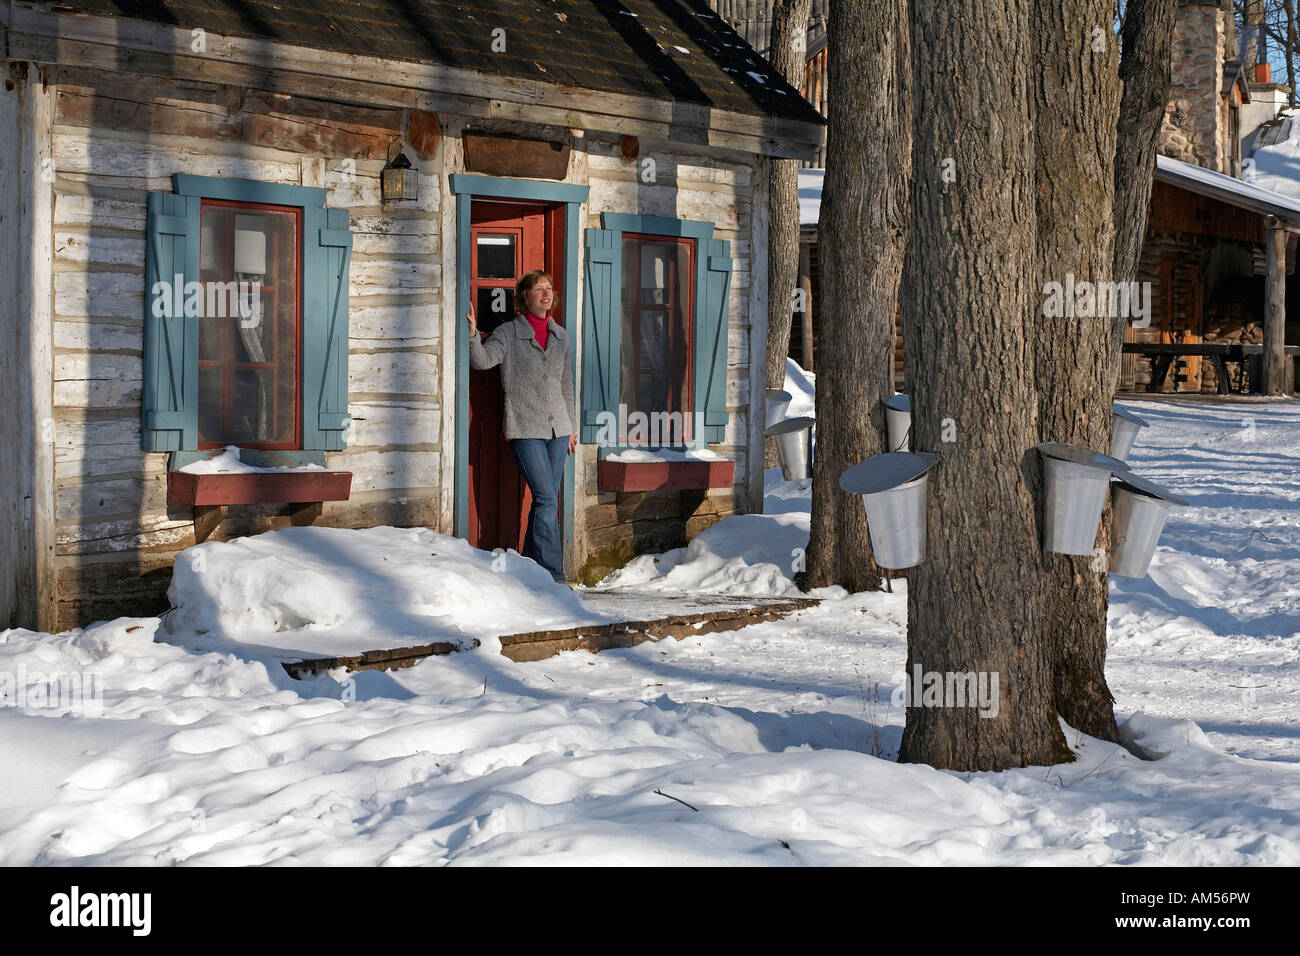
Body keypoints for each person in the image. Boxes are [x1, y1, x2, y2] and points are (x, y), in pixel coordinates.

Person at [466, 270, 577, 583]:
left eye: (549, 288)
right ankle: (554, 575)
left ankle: (530, 570)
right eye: (538, 288)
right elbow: (483, 361)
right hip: (525, 428)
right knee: (546, 498)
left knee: (546, 501)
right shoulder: (508, 333)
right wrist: (474, 335)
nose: (545, 293)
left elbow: (565, 385)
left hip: (558, 431)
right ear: (524, 297)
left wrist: (572, 426)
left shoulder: (561, 336)